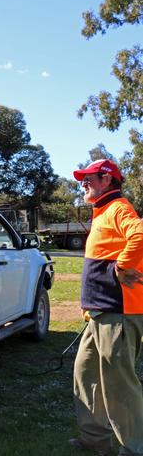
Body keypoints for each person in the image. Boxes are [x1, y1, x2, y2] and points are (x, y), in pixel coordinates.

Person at [70, 159, 143, 456]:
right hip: (100, 314)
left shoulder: (118, 208)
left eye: (89, 178)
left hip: (120, 314)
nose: (83, 183)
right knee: (85, 375)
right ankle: (95, 441)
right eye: (82, 179)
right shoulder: (102, 212)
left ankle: (134, 448)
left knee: (119, 384)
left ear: (107, 180)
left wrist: (123, 266)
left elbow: (140, 234)